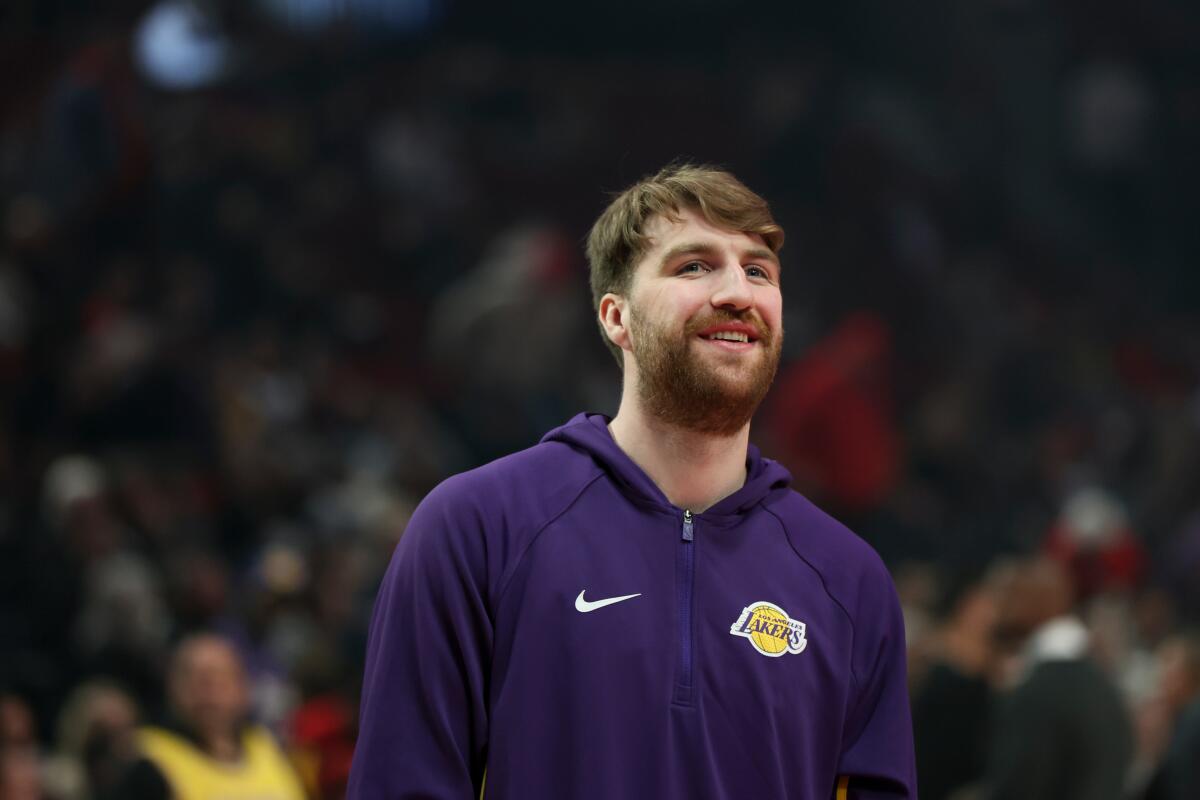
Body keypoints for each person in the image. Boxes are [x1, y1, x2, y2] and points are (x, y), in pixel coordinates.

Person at [348, 164, 916, 799]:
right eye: (693, 266)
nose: (738, 292)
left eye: (758, 271)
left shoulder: (849, 580)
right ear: (616, 318)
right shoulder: (478, 528)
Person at [984, 557, 1132, 800]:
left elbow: (1017, 788)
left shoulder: (1040, 690)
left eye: (1013, 595)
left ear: (1042, 602)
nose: (1001, 607)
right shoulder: (1103, 685)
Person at [107, 633, 306, 800]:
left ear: (243, 688)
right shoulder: (148, 759)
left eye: (220, 678)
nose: (209, 692)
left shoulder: (265, 746)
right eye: (196, 679)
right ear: (172, 687)